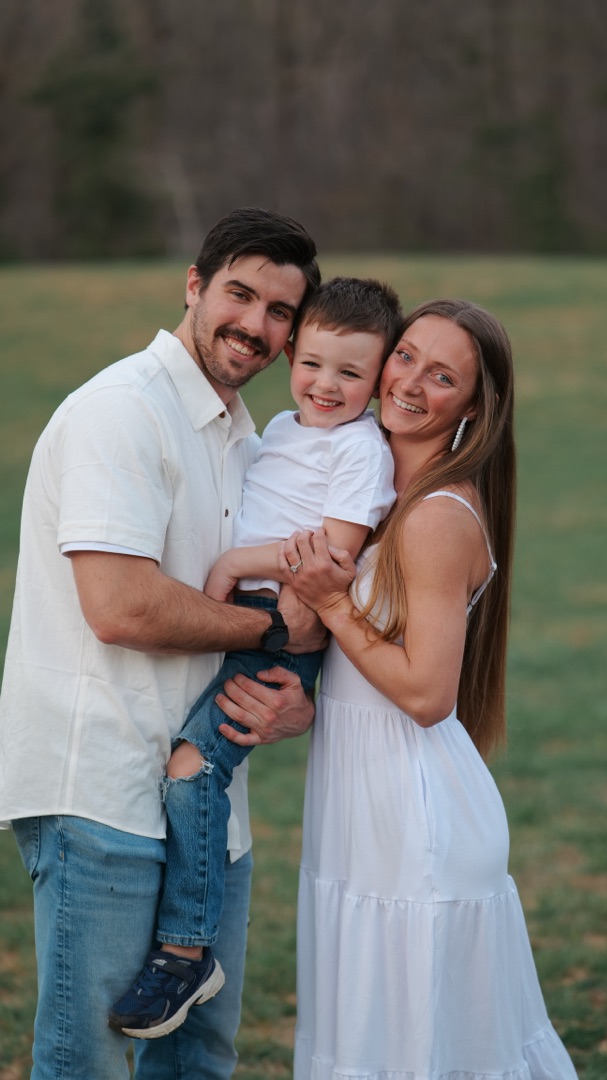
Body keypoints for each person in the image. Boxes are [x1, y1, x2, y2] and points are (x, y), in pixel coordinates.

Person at [0, 207, 327, 1080]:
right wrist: (270, 627)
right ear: (193, 286)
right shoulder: (122, 412)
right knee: (89, 1060)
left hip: (208, 805)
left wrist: (296, 695)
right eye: (240, 294)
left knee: (198, 1057)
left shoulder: (250, 442)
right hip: (100, 788)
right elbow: (120, 607)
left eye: (281, 313)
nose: (255, 325)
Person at [221, 299, 579, 1078]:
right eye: (407, 355)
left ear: (475, 407)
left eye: (443, 375)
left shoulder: (437, 518)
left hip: (415, 822)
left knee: (416, 1050)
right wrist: (307, 707)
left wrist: (330, 602)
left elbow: (425, 695)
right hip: (359, 806)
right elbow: (369, 671)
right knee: (368, 1040)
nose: (410, 382)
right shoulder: (376, 494)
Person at [108, 275, 400, 1040]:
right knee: (185, 766)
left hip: (280, 618)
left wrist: (237, 568)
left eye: (351, 373)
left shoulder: (360, 449)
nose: (325, 385)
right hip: (251, 611)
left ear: (377, 381)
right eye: (312, 363)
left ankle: (184, 951)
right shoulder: (278, 425)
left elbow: (332, 556)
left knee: (193, 765)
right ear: (294, 354)